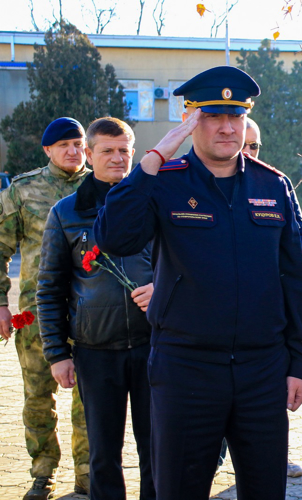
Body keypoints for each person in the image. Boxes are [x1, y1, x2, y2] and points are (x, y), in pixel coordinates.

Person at [93, 66, 302, 500]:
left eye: (237, 116)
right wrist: (152, 161)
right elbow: (113, 237)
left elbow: (295, 279)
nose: (228, 127)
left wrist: (298, 364)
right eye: (213, 116)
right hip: (186, 367)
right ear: (191, 119)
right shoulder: (164, 181)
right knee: (178, 488)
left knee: (267, 488)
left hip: (263, 370)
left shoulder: (274, 185)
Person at [36, 117, 156, 500]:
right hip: (95, 351)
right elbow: (49, 288)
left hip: (153, 346)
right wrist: (57, 354)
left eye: (124, 150)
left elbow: (186, 266)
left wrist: (162, 288)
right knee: (103, 454)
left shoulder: (153, 203)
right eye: (107, 150)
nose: (118, 158)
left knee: (157, 446)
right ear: (88, 154)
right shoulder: (66, 213)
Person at [0, 117, 91, 499]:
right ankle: (42, 472)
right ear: (47, 150)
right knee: (38, 396)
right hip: (36, 315)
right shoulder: (23, 190)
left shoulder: (103, 185)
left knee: (90, 398)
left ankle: (89, 472)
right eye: (64, 145)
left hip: (92, 314)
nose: (73, 151)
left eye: (78, 143)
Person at [213, 116, 302, 479]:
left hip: (260, 346)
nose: (248, 152)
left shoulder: (275, 187)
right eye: (245, 145)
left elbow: (295, 260)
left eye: (254, 146)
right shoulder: (198, 184)